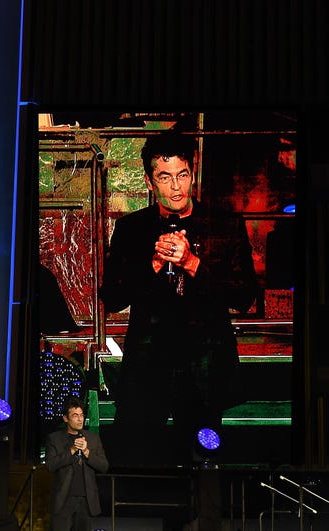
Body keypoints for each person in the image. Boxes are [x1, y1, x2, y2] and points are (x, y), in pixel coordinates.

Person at [98, 130, 257, 465]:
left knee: (203, 464)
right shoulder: (132, 229)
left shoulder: (223, 226)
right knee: (134, 461)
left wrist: (193, 264)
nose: (175, 187)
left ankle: (203, 515)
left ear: (193, 173)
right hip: (148, 369)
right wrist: (152, 265)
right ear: (149, 180)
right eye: (165, 177)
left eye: (182, 175)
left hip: (203, 370)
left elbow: (244, 296)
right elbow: (111, 298)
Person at [45, 396, 109, 531]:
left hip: (86, 501)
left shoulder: (93, 438)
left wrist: (86, 452)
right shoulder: (54, 439)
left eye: (81, 415)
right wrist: (72, 450)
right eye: (75, 415)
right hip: (64, 500)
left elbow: (104, 466)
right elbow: (50, 465)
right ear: (65, 418)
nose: (80, 419)